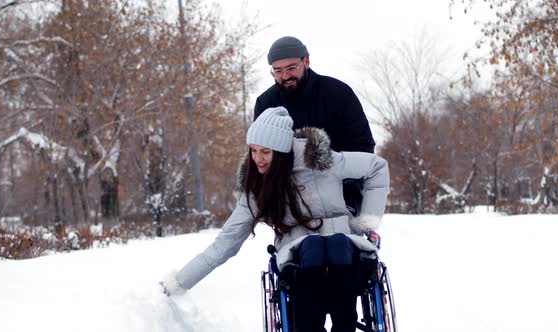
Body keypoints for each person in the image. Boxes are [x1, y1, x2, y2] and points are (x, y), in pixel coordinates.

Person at [160, 107, 390, 332]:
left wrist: (367, 222)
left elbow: (377, 167)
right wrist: (177, 283)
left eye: (265, 152)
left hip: (345, 245)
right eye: (253, 150)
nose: (257, 159)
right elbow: (225, 243)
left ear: (281, 151)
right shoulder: (258, 188)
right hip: (299, 253)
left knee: (337, 242)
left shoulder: (323, 162)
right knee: (313, 245)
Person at [254, 36, 376, 216]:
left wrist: (349, 195)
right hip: (291, 200)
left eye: (291, 68)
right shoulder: (266, 104)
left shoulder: (339, 93)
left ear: (307, 62)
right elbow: (262, 154)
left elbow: (362, 146)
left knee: (339, 243)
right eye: (278, 71)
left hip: (341, 196)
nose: (285, 76)